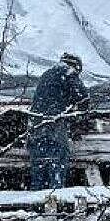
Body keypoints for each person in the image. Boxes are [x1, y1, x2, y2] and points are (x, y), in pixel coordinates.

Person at [27, 53, 92, 190]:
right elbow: (82, 97)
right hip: (53, 128)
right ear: (76, 66)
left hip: (35, 128)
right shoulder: (68, 72)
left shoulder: (46, 75)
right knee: (56, 167)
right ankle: (54, 202)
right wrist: (82, 120)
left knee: (38, 170)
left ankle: (36, 205)